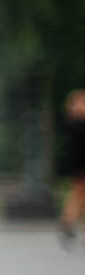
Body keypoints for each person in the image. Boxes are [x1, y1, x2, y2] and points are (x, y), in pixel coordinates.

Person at [60, 90, 85, 245]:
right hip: (81, 162)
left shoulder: (73, 123)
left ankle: (68, 221)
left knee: (79, 194)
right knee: (78, 193)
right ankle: (68, 220)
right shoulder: (76, 123)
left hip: (78, 162)